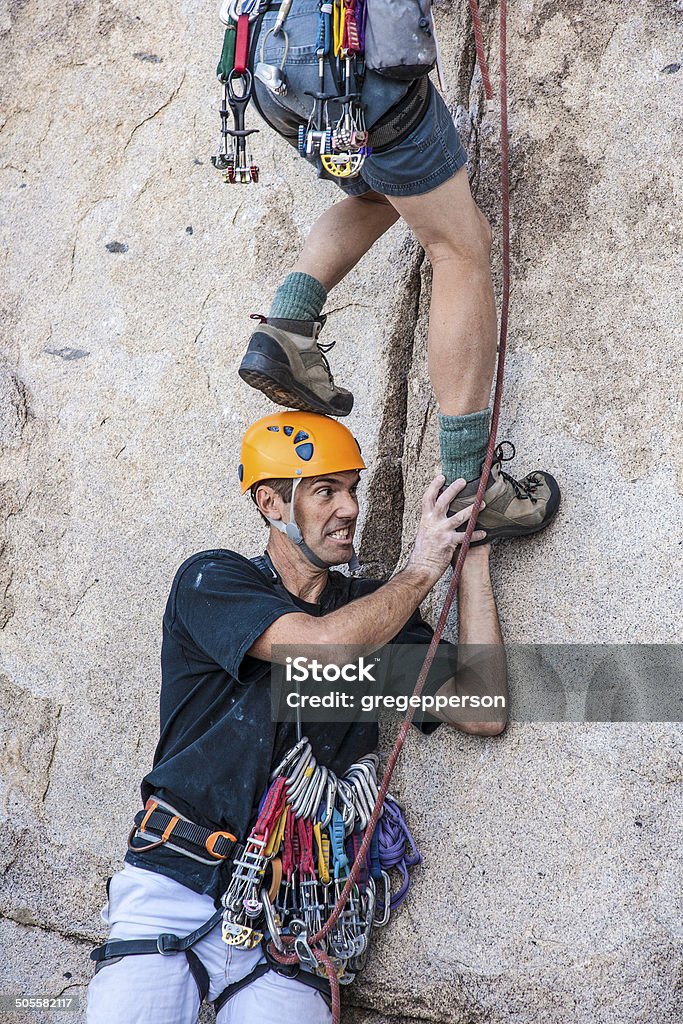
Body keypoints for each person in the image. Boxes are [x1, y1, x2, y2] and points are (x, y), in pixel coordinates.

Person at [86, 411, 507, 1023]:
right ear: (270, 502)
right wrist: (421, 569)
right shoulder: (213, 581)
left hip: (296, 911)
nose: (351, 509)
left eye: (353, 489)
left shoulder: (374, 616)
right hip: (177, 880)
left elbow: (483, 707)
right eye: (325, 491)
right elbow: (322, 646)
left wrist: (468, 556)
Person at [237, 0, 560, 544]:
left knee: (384, 196)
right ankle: (471, 482)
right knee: (459, 246)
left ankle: (287, 326)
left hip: (272, 60)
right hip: (355, 53)